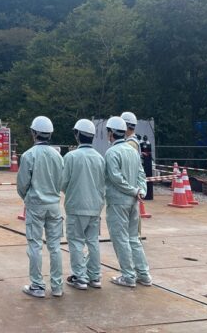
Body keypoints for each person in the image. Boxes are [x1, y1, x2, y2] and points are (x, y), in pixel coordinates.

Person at [17, 116, 64, 298]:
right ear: (50, 134)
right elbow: (61, 181)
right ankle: (57, 286)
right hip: (54, 205)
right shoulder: (58, 156)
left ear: (34, 133)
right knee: (55, 246)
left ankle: (37, 285)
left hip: (36, 204)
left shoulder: (29, 155)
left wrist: (27, 198)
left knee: (35, 245)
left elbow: (22, 184)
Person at [104, 116, 152, 287]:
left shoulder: (111, 153)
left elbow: (116, 178)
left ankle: (128, 276)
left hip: (118, 201)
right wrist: (141, 191)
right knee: (133, 239)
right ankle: (144, 274)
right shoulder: (133, 150)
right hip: (134, 201)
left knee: (120, 239)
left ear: (110, 133)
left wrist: (133, 190)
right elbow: (141, 174)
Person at [61, 119, 105, 290]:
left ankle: (80, 277)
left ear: (77, 134)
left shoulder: (71, 157)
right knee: (93, 241)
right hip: (95, 206)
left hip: (76, 206)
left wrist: (72, 193)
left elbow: (62, 182)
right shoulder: (100, 158)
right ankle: (94, 276)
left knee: (76, 242)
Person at [139, 135, 154, 200]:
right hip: (145, 162)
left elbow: (149, 152)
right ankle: (145, 194)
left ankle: (147, 195)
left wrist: (145, 154)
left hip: (146, 163)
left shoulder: (145, 144)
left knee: (147, 178)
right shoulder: (142, 143)